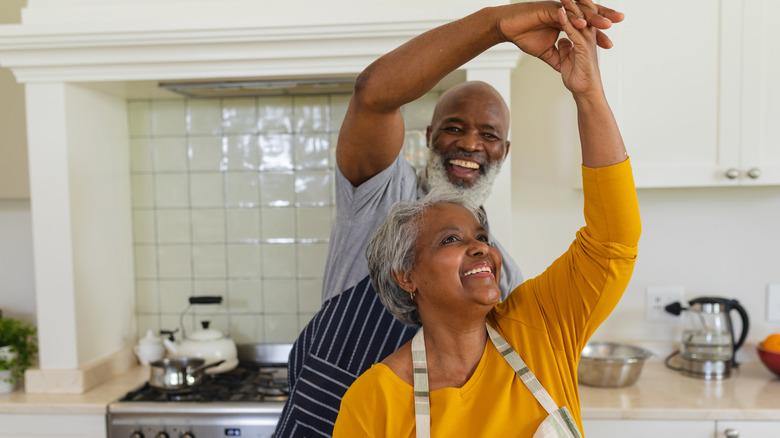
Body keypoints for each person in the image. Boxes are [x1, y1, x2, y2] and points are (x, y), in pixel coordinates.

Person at [275, 0, 624, 436]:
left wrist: (589, 92)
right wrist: (495, 25)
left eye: (489, 135)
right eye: (455, 128)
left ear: (505, 151)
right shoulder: (382, 196)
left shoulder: (498, 272)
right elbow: (373, 95)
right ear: (429, 136)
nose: (471, 145)